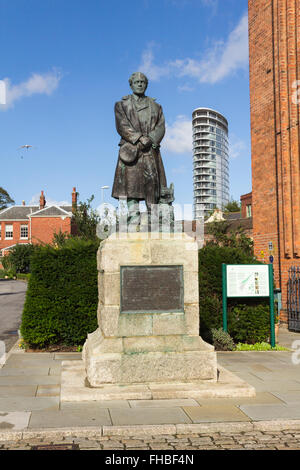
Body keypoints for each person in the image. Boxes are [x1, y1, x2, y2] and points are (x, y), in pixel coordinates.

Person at [111, 72, 167, 227]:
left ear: (146, 85)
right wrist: (139, 138)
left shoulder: (156, 106)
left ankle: (153, 215)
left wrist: (150, 139)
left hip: (150, 148)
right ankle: (133, 214)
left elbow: (161, 127)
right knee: (131, 182)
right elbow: (122, 125)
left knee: (152, 181)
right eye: (137, 82)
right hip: (131, 148)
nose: (140, 84)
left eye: (143, 82)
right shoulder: (121, 104)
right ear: (131, 84)